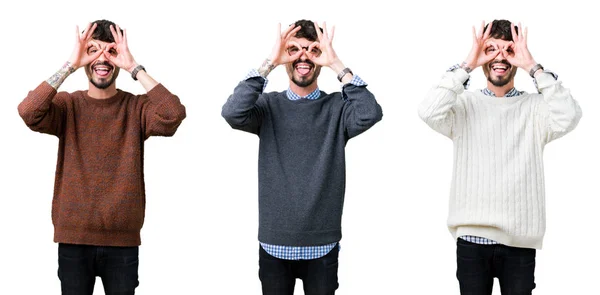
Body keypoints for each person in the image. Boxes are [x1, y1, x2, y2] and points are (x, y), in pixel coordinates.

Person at [17, 19, 186, 295]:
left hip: (123, 244)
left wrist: (134, 67)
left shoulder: (136, 108)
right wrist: (70, 64)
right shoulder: (67, 105)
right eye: (94, 50)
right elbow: (28, 111)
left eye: (111, 52)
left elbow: (173, 114)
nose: (102, 59)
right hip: (73, 239)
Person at [418, 20, 582, 294]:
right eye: (491, 49)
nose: (500, 57)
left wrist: (534, 67)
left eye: (508, 50)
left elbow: (570, 116)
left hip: (520, 243)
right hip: (472, 238)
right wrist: (467, 63)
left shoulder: (535, 109)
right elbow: (428, 111)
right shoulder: (464, 105)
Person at [222, 19, 382, 295]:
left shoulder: (338, 109)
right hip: (274, 243)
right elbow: (232, 113)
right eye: (294, 50)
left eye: (312, 50)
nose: (303, 57)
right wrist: (269, 62)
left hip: (322, 245)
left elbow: (371, 113)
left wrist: (337, 64)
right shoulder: (268, 106)